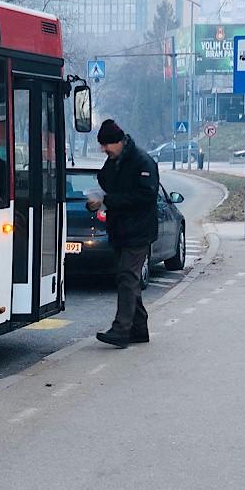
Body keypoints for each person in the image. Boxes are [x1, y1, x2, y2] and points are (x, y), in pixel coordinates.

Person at [86, 119, 159, 348]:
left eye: (106, 145)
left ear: (118, 141)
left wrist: (107, 200)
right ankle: (139, 328)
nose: (103, 150)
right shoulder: (116, 160)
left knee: (127, 278)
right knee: (128, 279)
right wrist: (98, 200)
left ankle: (121, 330)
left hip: (138, 231)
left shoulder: (142, 161)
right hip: (121, 229)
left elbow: (145, 196)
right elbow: (105, 180)